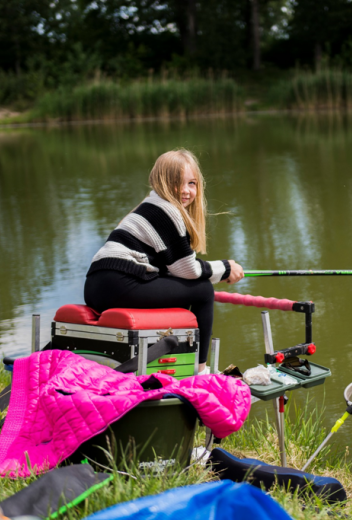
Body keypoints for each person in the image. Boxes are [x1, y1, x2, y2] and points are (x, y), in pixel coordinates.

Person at [84, 149, 244, 374]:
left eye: (192, 183)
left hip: (95, 287)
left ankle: (170, 362)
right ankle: (201, 370)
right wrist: (226, 268)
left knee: (178, 288)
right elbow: (188, 269)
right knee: (203, 290)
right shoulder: (168, 210)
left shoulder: (150, 205)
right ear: (162, 183)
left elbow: (174, 271)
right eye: (178, 183)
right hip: (120, 283)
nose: (186, 191)